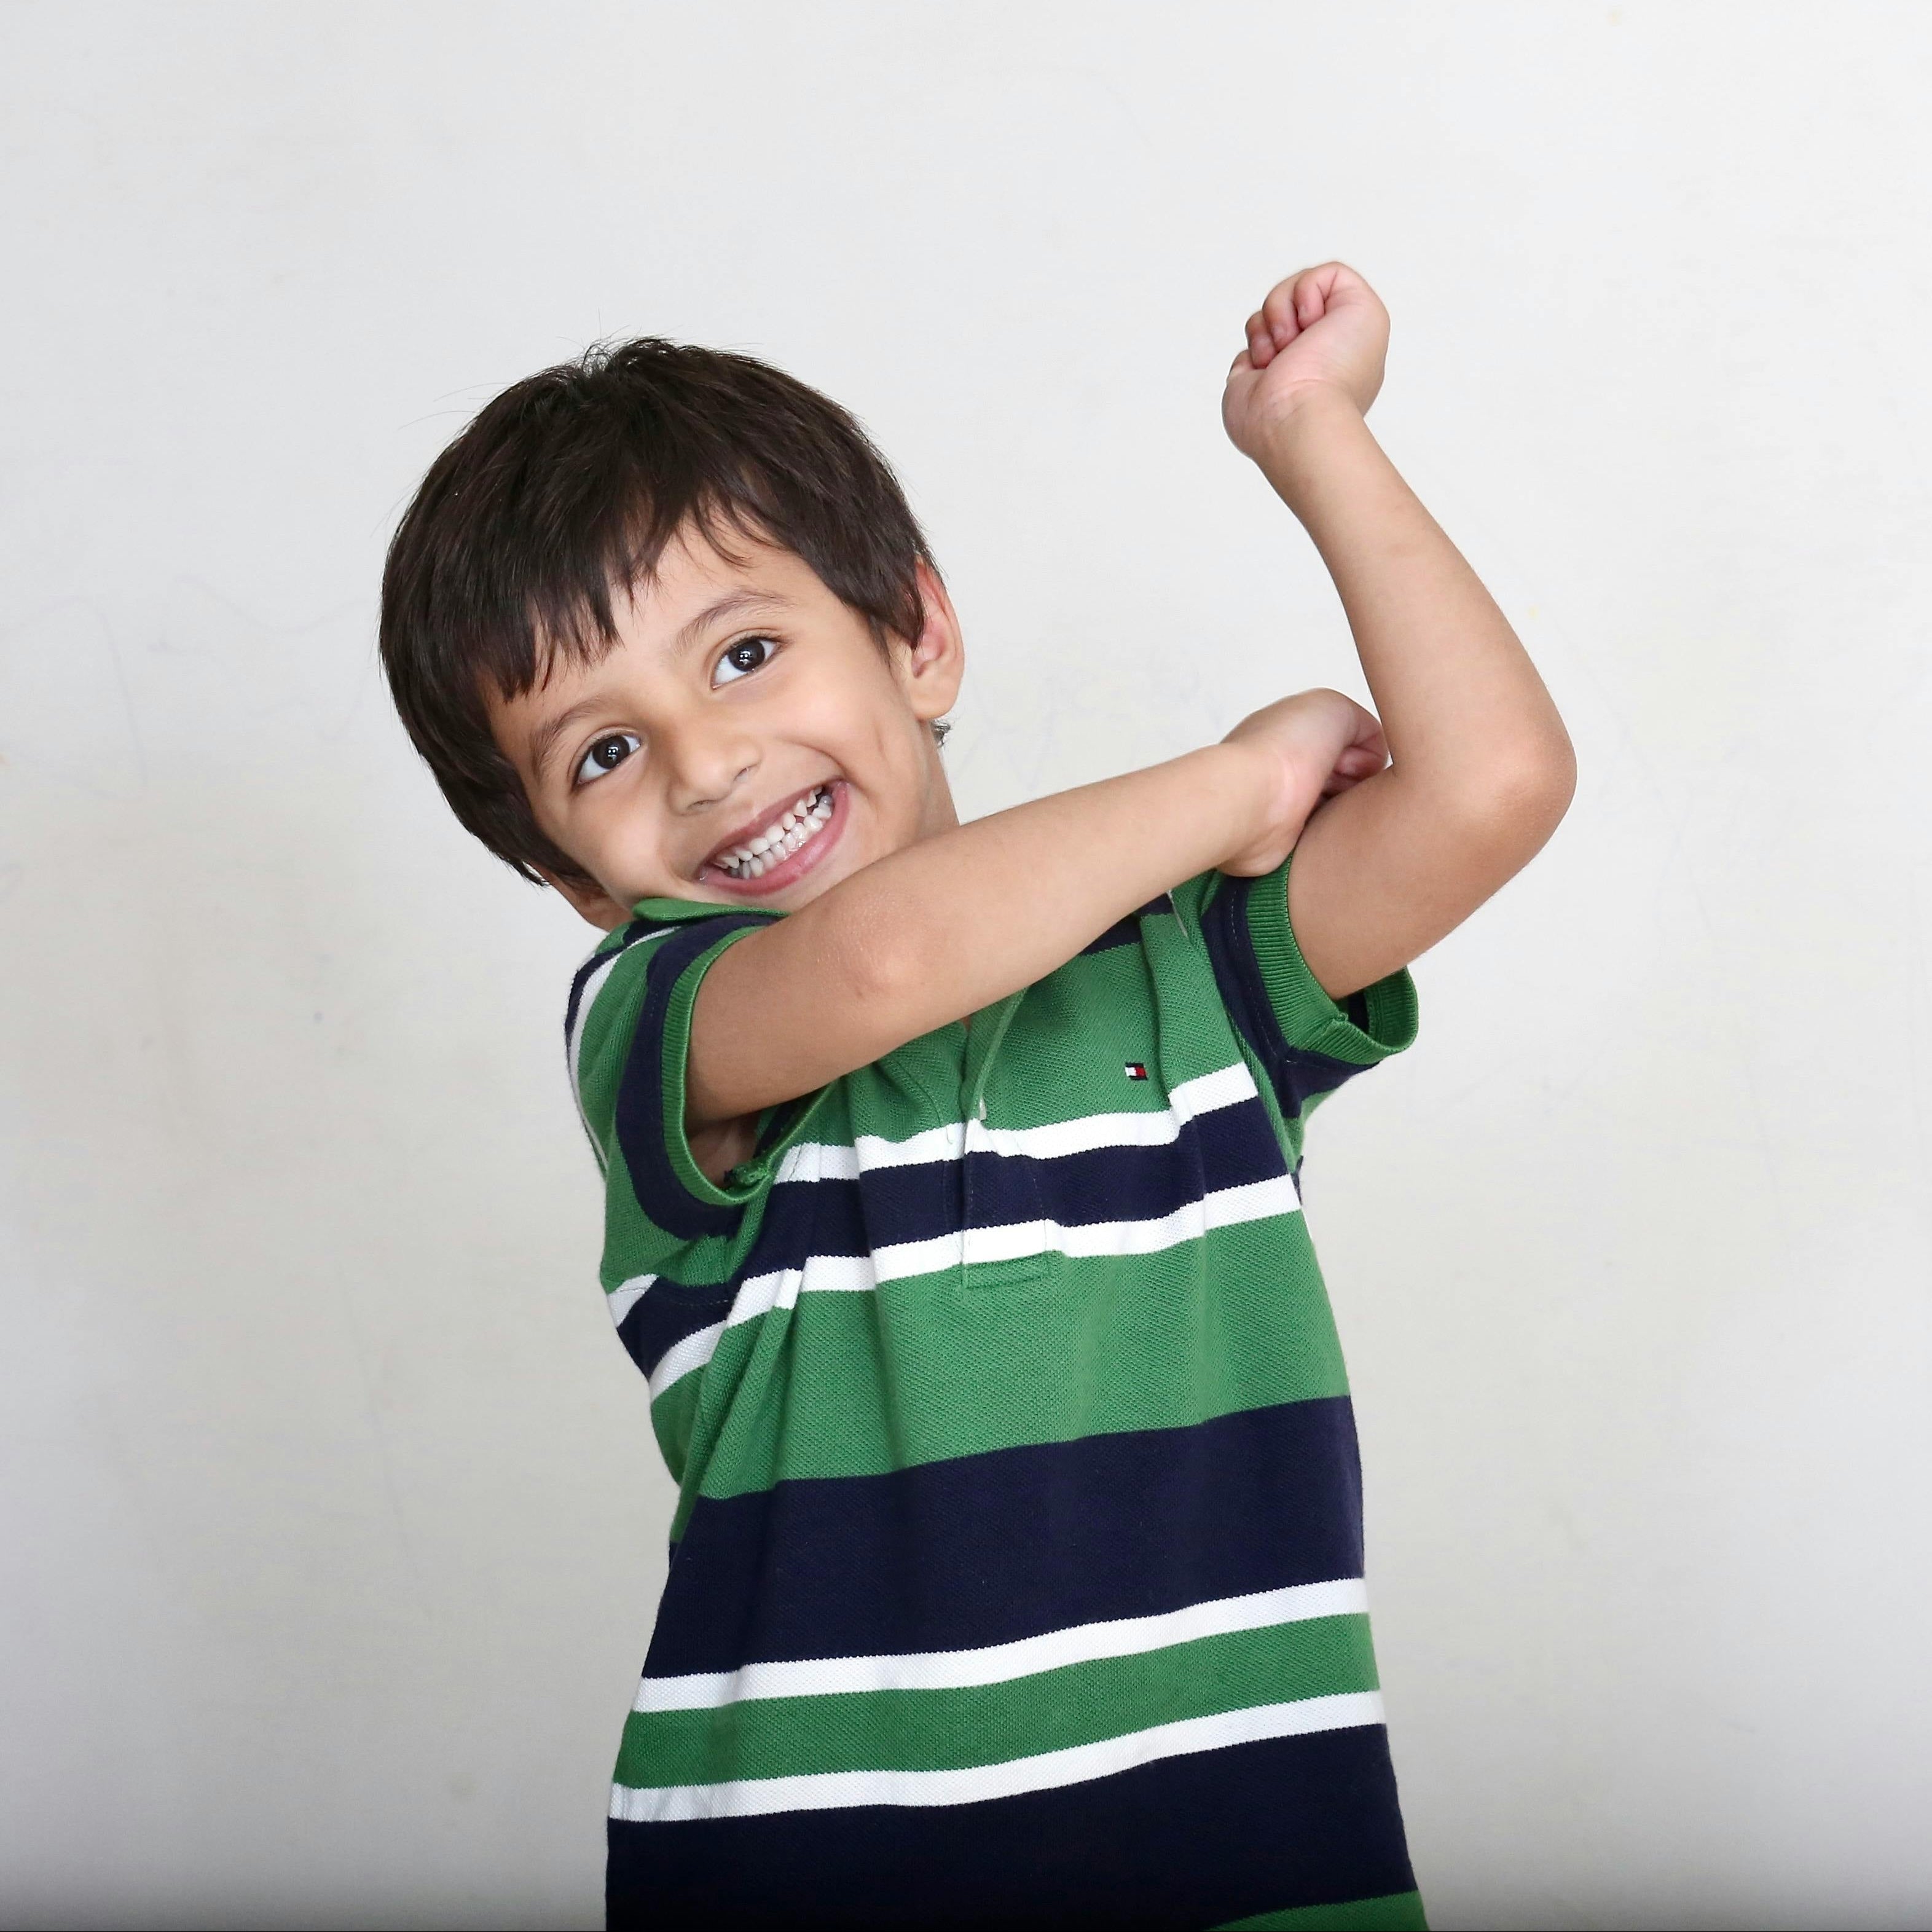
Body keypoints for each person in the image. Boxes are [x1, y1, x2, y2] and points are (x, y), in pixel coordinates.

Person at [379, 262, 1574, 1931]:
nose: (705, 764)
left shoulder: (1195, 976)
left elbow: (1497, 782)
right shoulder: (658, 1026)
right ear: (574, 881)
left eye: (742, 654)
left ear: (919, 637)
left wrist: (1314, 436)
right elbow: (880, 967)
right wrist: (1237, 781)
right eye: (602, 754)